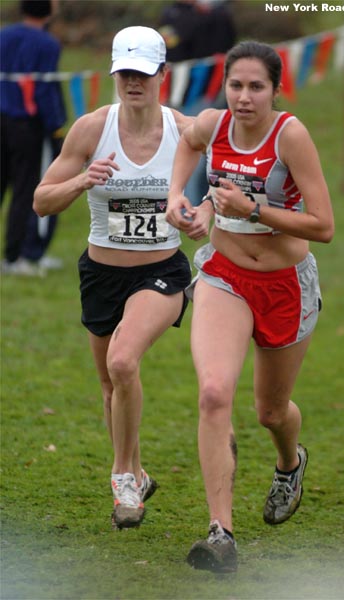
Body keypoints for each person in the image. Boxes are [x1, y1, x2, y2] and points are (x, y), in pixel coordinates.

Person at [166, 40, 334, 572]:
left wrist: (253, 207)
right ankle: (221, 533)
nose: (244, 97)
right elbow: (187, 140)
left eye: (256, 86)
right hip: (225, 276)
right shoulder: (213, 124)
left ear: (275, 90)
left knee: (270, 411)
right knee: (214, 392)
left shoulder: (291, 135)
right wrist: (178, 199)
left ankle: (290, 462)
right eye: (235, 85)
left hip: (285, 282)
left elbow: (324, 226)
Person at [33, 26, 208, 530]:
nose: (134, 82)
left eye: (143, 73)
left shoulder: (185, 129)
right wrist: (82, 179)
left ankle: (122, 477)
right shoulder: (91, 128)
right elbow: (41, 201)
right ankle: (137, 471)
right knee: (111, 386)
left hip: (162, 272)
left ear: (163, 76)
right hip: (101, 275)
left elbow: (223, 185)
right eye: (125, 73)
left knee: (123, 360)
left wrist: (201, 217)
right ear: (114, 74)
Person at [0, 0, 66, 276]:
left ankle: (19, 256)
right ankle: (20, 257)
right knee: (28, 189)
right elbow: (43, 90)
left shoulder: (3, 35)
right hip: (30, 126)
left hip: (2, 119)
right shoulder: (47, 44)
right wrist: (57, 127)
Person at [159, 0, 236, 206]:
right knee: (179, 149)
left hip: (206, 94)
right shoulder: (171, 13)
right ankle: (182, 202)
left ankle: (197, 203)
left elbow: (226, 49)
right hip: (175, 93)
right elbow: (168, 48)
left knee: (202, 152)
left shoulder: (217, 15)